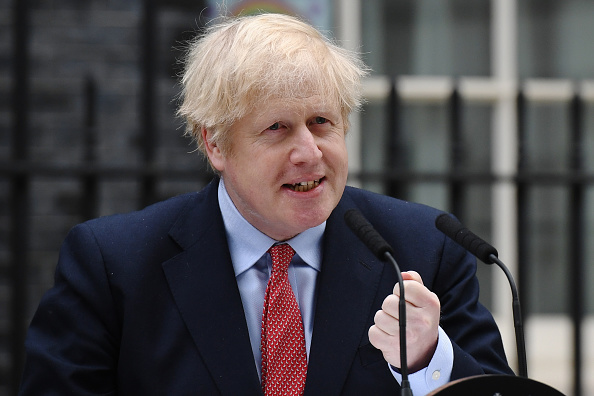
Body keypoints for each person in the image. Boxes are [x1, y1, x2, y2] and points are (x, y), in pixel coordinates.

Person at [19, 13, 513, 396]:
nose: (309, 152)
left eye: (322, 121)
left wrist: (428, 359)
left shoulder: (422, 249)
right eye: (276, 128)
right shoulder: (113, 264)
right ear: (215, 145)